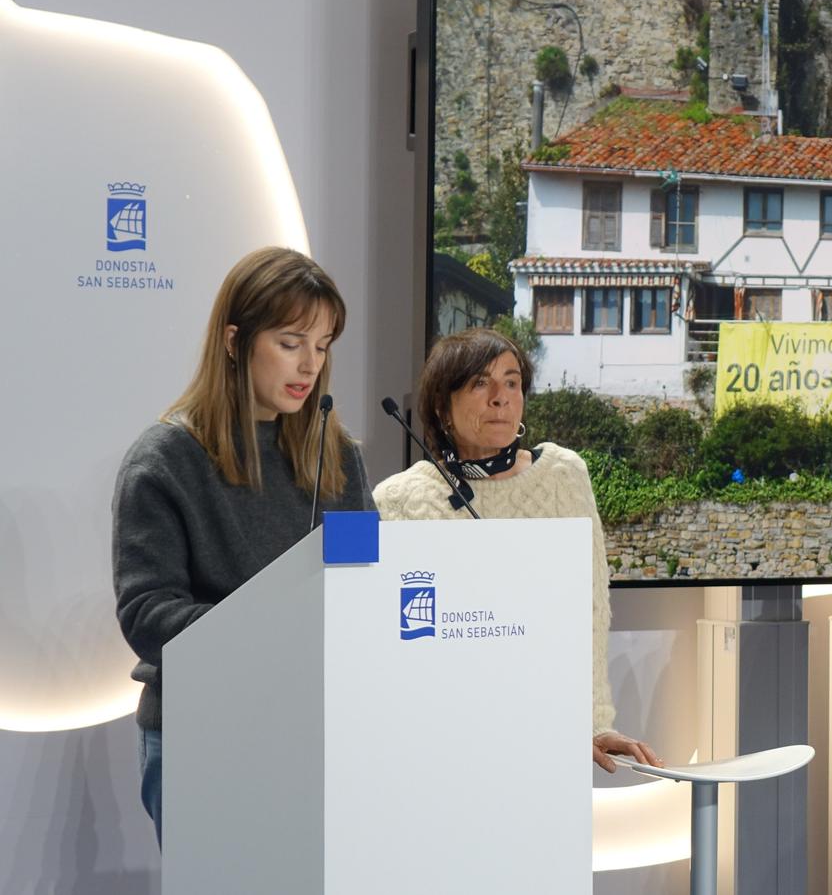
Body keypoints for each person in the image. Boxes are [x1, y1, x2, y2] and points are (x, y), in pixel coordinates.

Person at [112, 247, 375, 843]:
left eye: (323, 345)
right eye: (290, 342)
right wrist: (273, 624)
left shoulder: (338, 456)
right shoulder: (166, 460)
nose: (309, 365)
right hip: (205, 734)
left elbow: (364, 574)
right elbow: (146, 614)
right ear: (234, 341)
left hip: (318, 730)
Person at [372, 326, 662, 774]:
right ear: (440, 407)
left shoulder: (564, 474)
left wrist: (592, 721)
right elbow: (391, 637)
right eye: (480, 383)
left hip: (544, 741)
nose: (500, 397)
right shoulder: (398, 498)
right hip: (437, 745)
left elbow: (590, 609)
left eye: (511, 382)